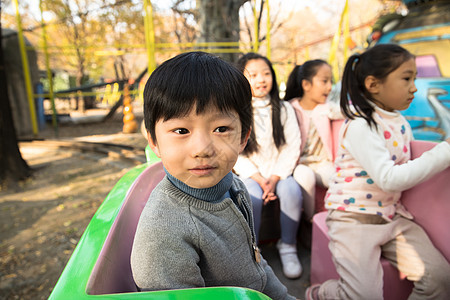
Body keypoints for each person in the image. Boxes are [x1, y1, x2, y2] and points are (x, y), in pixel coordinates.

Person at [130, 51, 295, 300]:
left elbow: (256, 262)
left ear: (243, 137)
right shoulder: (163, 235)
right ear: (154, 140)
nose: (202, 149)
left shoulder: (233, 185)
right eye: (181, 130)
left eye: (221, 128)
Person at [305, 44, 450, 300]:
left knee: (440, 279)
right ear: (373, 84)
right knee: (364, 295)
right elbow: (389, 178)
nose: (414, 87)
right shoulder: (362, 124)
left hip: (392, 217)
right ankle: (322, 293)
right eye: (407, 78)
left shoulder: (401, 123)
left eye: (414, 78)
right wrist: (444, 151)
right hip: (353, 219)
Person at [233, 53, 303, 279]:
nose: (261, 80)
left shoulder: (284, 109)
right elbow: (236, 151)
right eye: (252, 75)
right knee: (249, 195)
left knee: (292, 190)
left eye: (266, 74)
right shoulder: (237, 111)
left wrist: (273, 178)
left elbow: (292, 146)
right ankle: (253, 252)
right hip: (250, 175)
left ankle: (288, 246)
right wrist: (258, 178)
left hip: (279, 173)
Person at [284, 60, 342, 221]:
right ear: (306, 85)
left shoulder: (326, 108)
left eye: (331, 81)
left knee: (339, 180)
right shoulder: (290, 108)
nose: (329, 87)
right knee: (305, 177)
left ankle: (336, 219)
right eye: (324, 81)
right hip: (299, 164)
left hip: (323, 164)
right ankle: (310, 220)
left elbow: (347, 111)